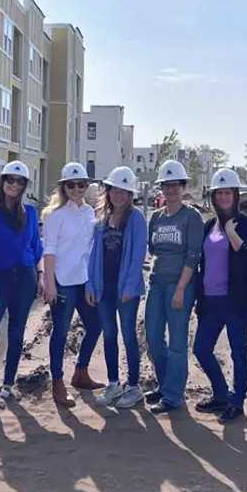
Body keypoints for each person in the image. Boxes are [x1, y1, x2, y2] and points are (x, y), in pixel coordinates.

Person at [0, 161, 44, 410]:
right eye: (10, 180)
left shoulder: (31, 213)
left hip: (24, 279)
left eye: (19, 181)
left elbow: (36, 249)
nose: (14, 185)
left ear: (25, 186)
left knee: (16, 334)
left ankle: (8, 386)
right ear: (2, 182)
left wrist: (41, 276)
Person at [192, 168, 247, 423]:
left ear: (235, 195)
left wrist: (232, 234)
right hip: (210, 300)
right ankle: (220, 393)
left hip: (236, 302)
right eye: (219, 193)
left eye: (228, 193)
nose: (223, 197)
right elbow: (202, 261)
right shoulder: (209, 225)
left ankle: (237, 400)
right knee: (201, 349)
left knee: (238, 351)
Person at [86, 166, 148, 409]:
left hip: (126, 291)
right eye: (115, 190)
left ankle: (133, 386)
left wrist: (130, 287)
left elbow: (137, 256)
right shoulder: (100, 220)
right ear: (108, 191)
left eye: (124, 191)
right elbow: (93, 256)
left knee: (129, 335)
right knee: (109, 335)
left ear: (130, 194)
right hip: (104, 288)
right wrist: (91, 285)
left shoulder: (136, 219)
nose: (119, 195)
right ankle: (114, 383)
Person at [41, 162, 102, 408]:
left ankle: (81, 371)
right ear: (64, 187)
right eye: (71, 185)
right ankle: (57, 381)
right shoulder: (56, 215)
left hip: (83, 282)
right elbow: (50, 250)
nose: (77, 189)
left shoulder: (91, 213)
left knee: (95, 326)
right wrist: (50, 283)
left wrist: (91, 284)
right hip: (63, 283)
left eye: (81, 184)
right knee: (61, 332)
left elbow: (90, 251)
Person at [145, 159, 203, 414]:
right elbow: (153, 249)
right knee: (154, 339)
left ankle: (173, 396)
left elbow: (193, 255)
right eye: (166, 186)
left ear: (183, 187)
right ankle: (165, 383)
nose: (171, 190)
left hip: (179, 286)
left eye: (175, 185)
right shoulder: (156, 217)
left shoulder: (192, 216)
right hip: (156, 284)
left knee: (177, 342)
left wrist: (180, 289)